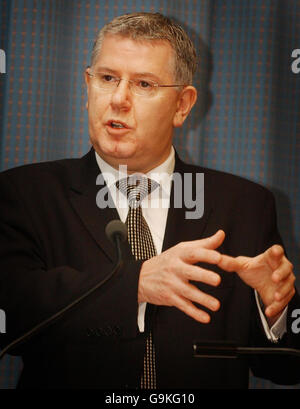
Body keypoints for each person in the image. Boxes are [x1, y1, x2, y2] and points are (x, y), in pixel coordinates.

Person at [0, 12, 299, 389]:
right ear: (87, 85)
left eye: (144, 84)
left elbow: (288, 367)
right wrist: (136, 284)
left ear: (182, 105)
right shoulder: (25, 193)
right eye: (107, 78)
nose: (119, 99)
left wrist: (276, 309)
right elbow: (10, 319)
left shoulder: (245, 205)